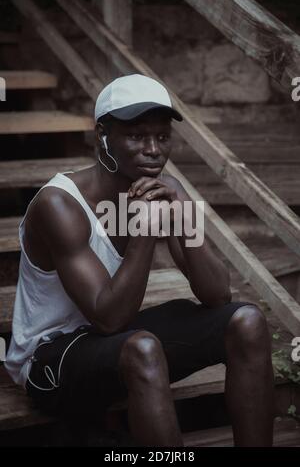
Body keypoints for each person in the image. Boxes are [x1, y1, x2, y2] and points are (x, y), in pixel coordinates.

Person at [5, 74, 274, 447]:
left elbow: (217, 295)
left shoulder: (166, 191)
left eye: (162, 137)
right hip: (51, 359)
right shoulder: (59, 205)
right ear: (102, 136)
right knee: (142, 347)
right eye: (136, 136)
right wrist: (144, 230)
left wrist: (182, 212)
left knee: (246, 321)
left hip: (117, 340)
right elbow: (109, 317)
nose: (153, 150)